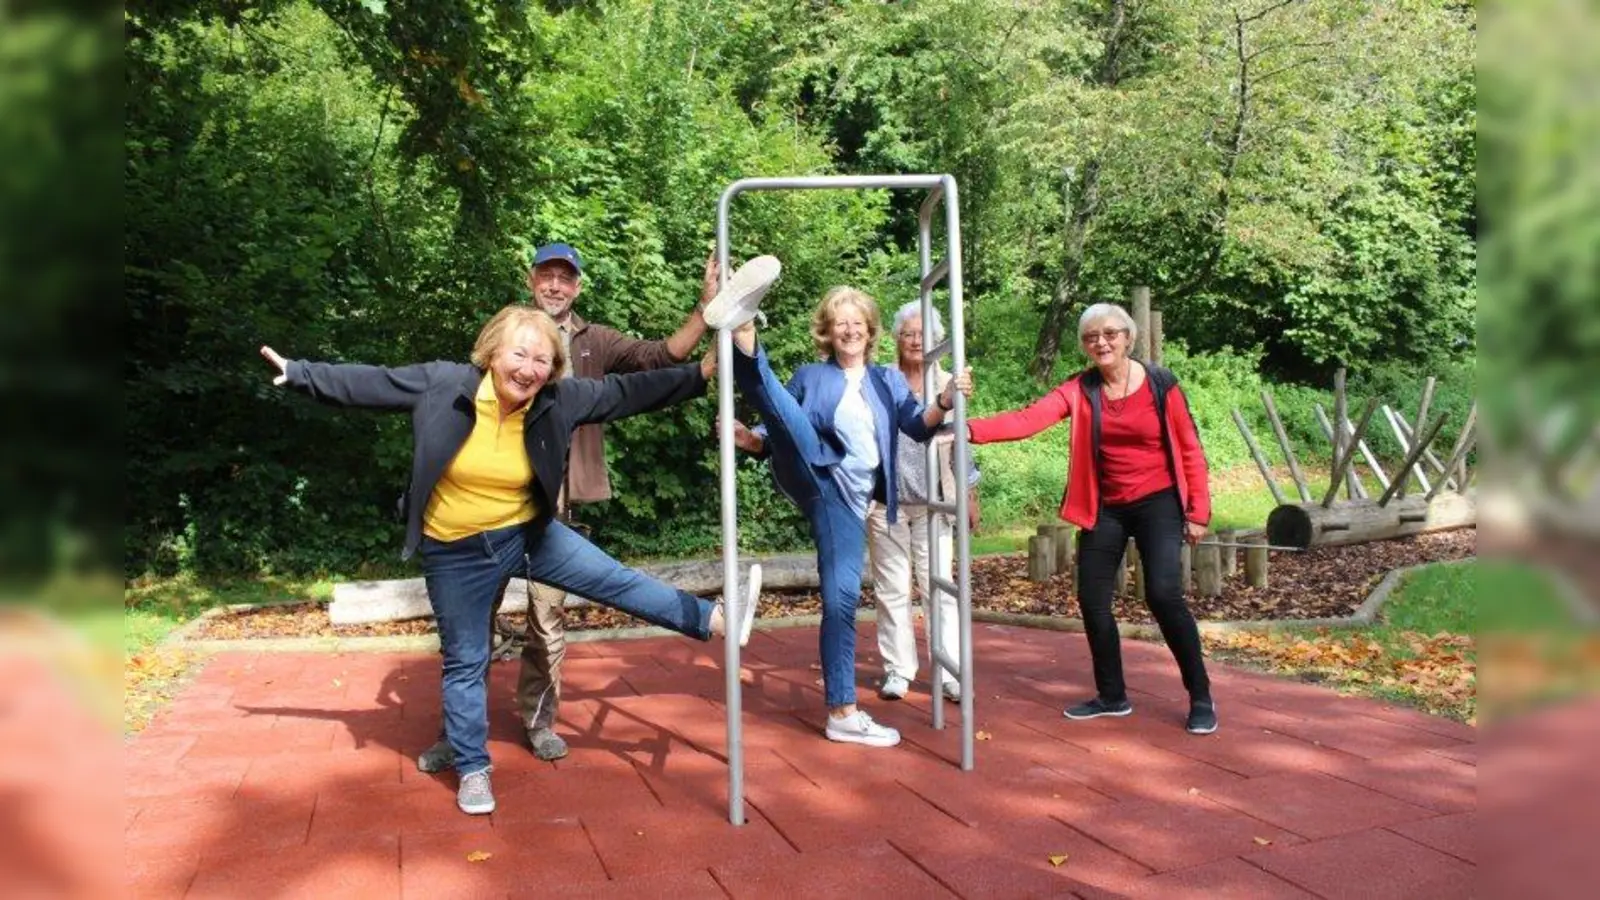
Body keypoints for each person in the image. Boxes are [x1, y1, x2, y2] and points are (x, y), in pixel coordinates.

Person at [258, 305, 759, 815]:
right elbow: (372, 383)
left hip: (527, 534)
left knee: (613, 579)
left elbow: (624, 392)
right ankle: (473, 768)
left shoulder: (556, 399)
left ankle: (714, 618)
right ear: (492, 353)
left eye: (542, 360)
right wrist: (299, 373)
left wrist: (698, 373)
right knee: (465, 659)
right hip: (455, 551)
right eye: (519, 354)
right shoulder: (443, 385)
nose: (529, 369)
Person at [418, 242, 720, 770]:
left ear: (577, 286)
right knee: (470, 630)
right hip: (487, 510)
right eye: (547, 275)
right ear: (532, 279)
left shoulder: (593, 340)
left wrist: (705, 311)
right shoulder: (510, 335)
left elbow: (660, 358)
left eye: (565, 278)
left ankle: (538, 722)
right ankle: (456, 735)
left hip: (554, 508)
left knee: (547, 621)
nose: (555, 285)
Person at [706, 260, 972, 748]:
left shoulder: (887, 381)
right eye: (839, 323)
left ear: (869, 331)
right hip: (815, 472)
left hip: (848, 504)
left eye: (856, 323)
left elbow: (917, 427)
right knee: (786, 412)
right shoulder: (812, 375)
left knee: (841, 600)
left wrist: (946, 401)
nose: (849, 330)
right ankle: (744, 331)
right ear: (827, 333)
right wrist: (751, 439)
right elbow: (781, 421)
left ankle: (841, 712)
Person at [965, 302, 1217, 735]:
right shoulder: (1080, 389)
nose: (1101, 342)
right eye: (1091, 337)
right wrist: (968, 429)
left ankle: (1201, 696)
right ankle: (1112, 696)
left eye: (1110, 334)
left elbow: (1190, 446)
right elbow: (1029, 419)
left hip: (1158, 501)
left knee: (1163, 594)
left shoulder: (1161, 383)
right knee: (1092, 598)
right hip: (1105, 506)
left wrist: (1198, 512)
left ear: (1128, 338)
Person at [868, 302, 981, 703]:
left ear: (938, 341)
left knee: (939, 587)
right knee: (892, 588)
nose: (916, 341)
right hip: (888, 500)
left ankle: (948, 671)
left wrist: (969, 491)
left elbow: (961, 439)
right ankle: (898, 669)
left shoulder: (950, 381)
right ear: (896, 338)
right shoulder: (880, 379)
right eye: (909, 334)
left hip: (936, 499)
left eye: (924, 335)